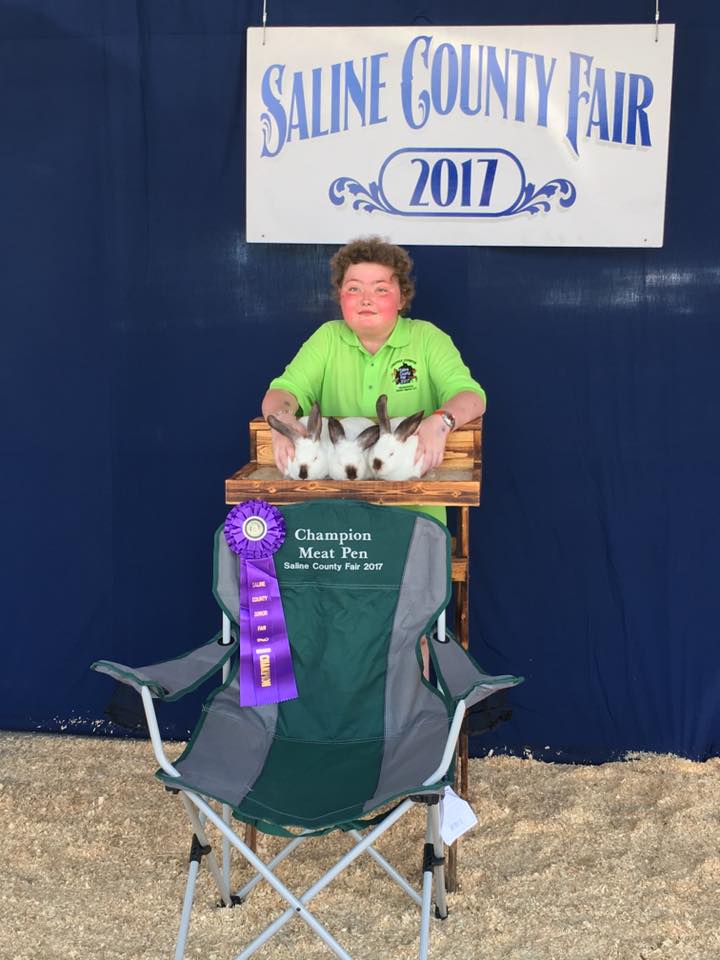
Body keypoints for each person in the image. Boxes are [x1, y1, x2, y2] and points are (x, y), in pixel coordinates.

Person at [261, 236, 486, 524]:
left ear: (402, 297)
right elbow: (283, 390)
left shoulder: (428, 338)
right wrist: (281, 420)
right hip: (334, 515)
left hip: (413, 514)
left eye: (380, 289)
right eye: (354, 288)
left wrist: (441, 421)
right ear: (340, 294)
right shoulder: (327, 337)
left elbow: (471, 396)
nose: (366, 299)